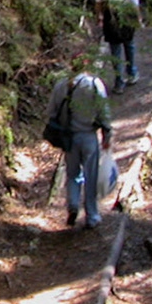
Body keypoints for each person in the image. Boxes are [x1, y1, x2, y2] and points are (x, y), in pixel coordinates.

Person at [46, 58, 113, 228]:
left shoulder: (61, 85)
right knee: (91, 176)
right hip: (88, 136)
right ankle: (92, 216)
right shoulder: (94, 84)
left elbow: (51, 112)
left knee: (72, 173)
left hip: (68, 137)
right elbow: (103, 111)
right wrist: (106, 134)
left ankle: (73, 205)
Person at [90, 0, 141, 91]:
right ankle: (131, 72)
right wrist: (137, 16)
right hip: (125, 13)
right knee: (129, 44)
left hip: (109, 14)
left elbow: (98, 0)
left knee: (115, 49)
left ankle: (119, 81)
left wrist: (99, 16)